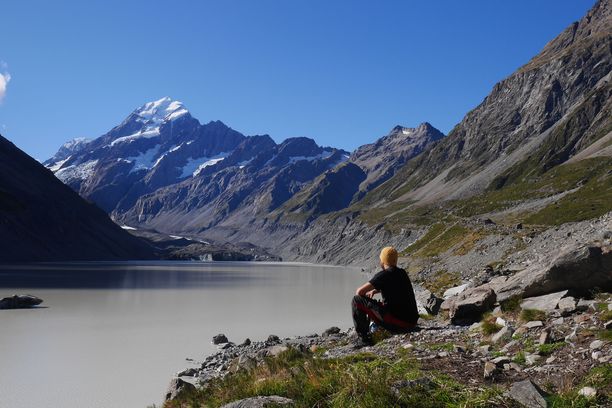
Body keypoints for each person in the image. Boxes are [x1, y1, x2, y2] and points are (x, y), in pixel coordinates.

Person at [351, 246, 418, 347]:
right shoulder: (402, 273)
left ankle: (364, 339)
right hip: (411, 322)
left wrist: (368, 299)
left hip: (398, 323)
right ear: (395, 260)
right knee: (380, 304)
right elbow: (393, 286)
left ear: (382, 261)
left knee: (357, 300)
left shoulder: (383, 275)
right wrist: (375, 290)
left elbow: (359, 292)